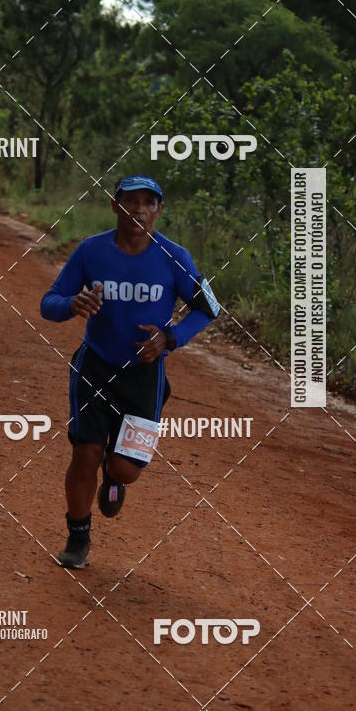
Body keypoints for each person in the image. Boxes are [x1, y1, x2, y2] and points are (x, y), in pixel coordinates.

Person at [40, 175, 220, 569]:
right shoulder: (91, 252)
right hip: (95, 366)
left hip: (145, 375)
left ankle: (115, 473)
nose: (138, 209)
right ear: (115, 205)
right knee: (84, 453)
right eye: (130, 201)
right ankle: (78, 536)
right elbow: (48, 302)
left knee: (124, 469)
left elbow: (210, 308)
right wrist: (72, 304)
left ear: (159, 209)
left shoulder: (175, 258)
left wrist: (169, 339)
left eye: (148, 202)